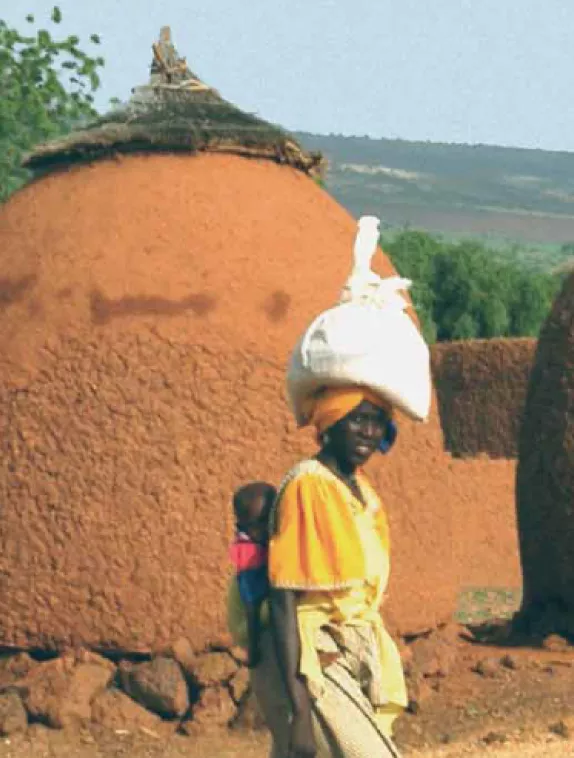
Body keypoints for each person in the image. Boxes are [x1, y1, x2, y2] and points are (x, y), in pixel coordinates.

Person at [244, 385, 408, 758]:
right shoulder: (309, 484)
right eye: (358, 419)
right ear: (330, 423)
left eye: (377, 421)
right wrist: (300, 711)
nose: (369, 431)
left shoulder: (360, 491)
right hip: (312, 655)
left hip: (350, 648)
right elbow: (284, 597)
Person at [229, 481, 277, 669]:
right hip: (246, 625)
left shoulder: (267, 542)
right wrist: (253, 652)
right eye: (259, 524)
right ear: (243, 526)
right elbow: (252, 606)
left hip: (258, 610)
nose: (267, 528)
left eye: (271, 518)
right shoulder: (249, 556)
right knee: (281, 601)